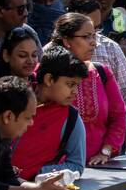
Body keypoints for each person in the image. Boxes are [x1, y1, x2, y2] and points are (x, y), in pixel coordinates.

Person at [48, 13, 126, 166]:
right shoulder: (47, 77)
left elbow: (118, 115)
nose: (94, 43)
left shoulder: (101, 73)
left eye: (94, 36)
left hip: (98, 167)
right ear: (67, 41)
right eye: (86, 37)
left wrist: (106, 151)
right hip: (56, 169)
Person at [68, 0, 126, 151]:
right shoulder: (51, 54)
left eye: (96, 28)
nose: (93, 39)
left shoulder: (110, 48)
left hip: (108, 145)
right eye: (86, 34)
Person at [11, 48, 88, 182]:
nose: (75, 91)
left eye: (77, 85)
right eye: (70, 84)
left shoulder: (71, 118)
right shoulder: (13, 97)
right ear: (49, 79)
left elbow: (77, 165)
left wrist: (38, 174)